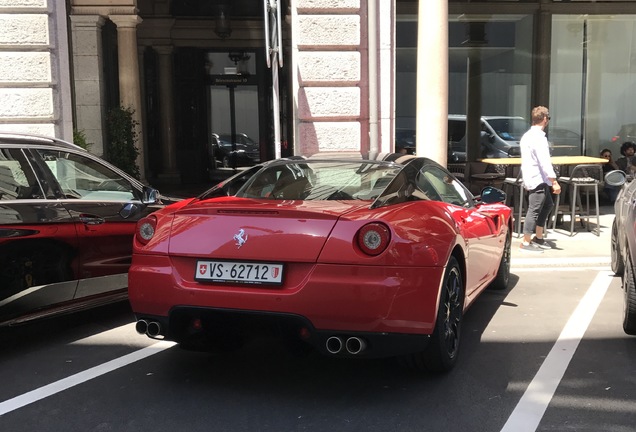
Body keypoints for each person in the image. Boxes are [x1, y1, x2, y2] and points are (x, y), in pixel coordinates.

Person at [519, 106, 561, 252]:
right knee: (534, 209)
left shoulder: (528, 136)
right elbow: (544, 161)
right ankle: (525, 242)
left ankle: (539, 237)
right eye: (548, 118)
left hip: (535, 177)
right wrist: (554, 181)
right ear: (544, 119)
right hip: (537, 177)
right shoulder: (538, 138)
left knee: (547, 204)